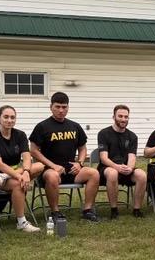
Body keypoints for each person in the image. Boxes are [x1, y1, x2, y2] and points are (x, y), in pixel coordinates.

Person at [29, 92, 101, 222]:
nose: (61, 110)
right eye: (57, 107)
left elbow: (83, 147)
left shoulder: (74, 126)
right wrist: (52, 166)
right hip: (49, 170)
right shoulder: (42, 127)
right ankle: (55, 212)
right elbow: (33, 150)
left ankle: (87, 210)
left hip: (71, 169)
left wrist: (79, 163)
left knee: (94, 173)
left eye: (64, 107)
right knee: (52, 176)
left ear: (68, 107)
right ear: (50, 107)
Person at [0, 105, 45, 232]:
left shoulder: (20, 135)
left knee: (39, 165)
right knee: (18, 184)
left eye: (12, 117)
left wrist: (26, 172)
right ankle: (21, 222)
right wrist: (20, 176)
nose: (9, 120)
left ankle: (9, 177)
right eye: (6, 117)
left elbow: (27, 157)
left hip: (11, 174)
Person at [96, 105, 147, 219]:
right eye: (120, 116)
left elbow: (132, 157)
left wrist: (129, 168)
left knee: (142, 175)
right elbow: (104, 158)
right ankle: (114, 210)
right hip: (107, 168)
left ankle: (136, 210)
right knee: (112, 173)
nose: (123, 119)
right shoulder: (104, 134)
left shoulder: (132, 136)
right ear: (114, 117)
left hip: (125, 168)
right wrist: (116, 167)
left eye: (126, 117)